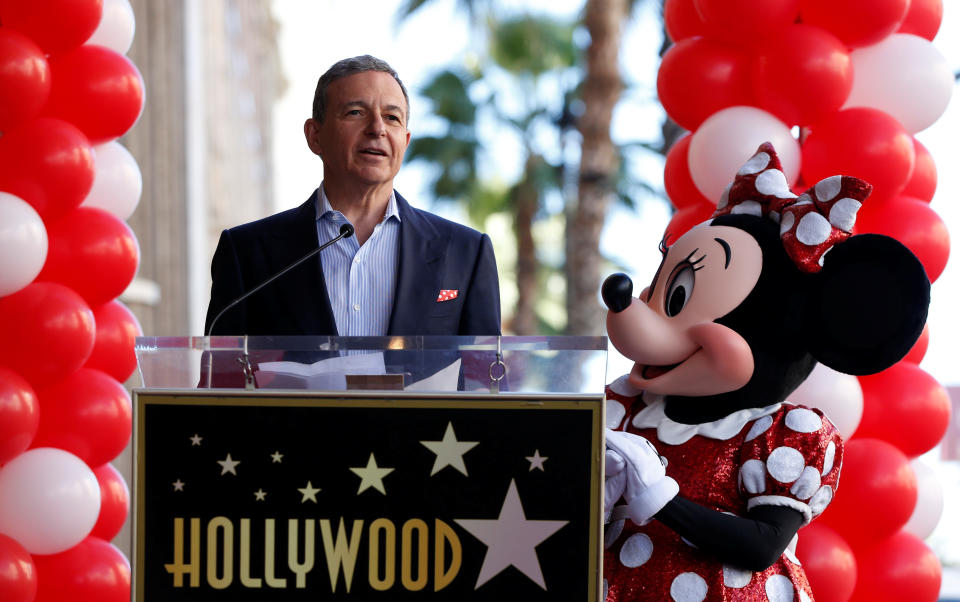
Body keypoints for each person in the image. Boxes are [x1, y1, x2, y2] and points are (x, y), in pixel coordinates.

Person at [204, 55, 501, 338]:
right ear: (315, 135)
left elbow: (486, 381)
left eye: (392, 117)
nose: (377, 129)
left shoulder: (466, 253)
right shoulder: (247, 253)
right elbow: (218, 382)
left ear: (405, 141)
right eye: (356, 113)